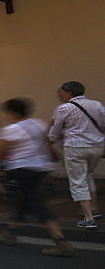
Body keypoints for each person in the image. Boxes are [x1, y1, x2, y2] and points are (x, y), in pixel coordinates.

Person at [0, 98, 72, 257]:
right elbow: (48, 141)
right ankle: (11, 232)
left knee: (36, 204)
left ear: (12, 112)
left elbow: (2, 151)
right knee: (25, 199)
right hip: (41, 168)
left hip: (22, 169)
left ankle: (61, 241)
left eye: (6, 112)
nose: (4, 115)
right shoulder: (38, 123)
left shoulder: (10, 130)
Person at [48, 80, 105, 229]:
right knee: (87, 176)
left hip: (75, 148)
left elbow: (55, 130)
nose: (60, 94)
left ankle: (89, 218)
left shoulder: (64, 108)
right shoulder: (97, 105)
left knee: (77, 181)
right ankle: (93, 208)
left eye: (62, 92)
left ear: (69, 93)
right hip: (97, 146)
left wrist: (50, 141)